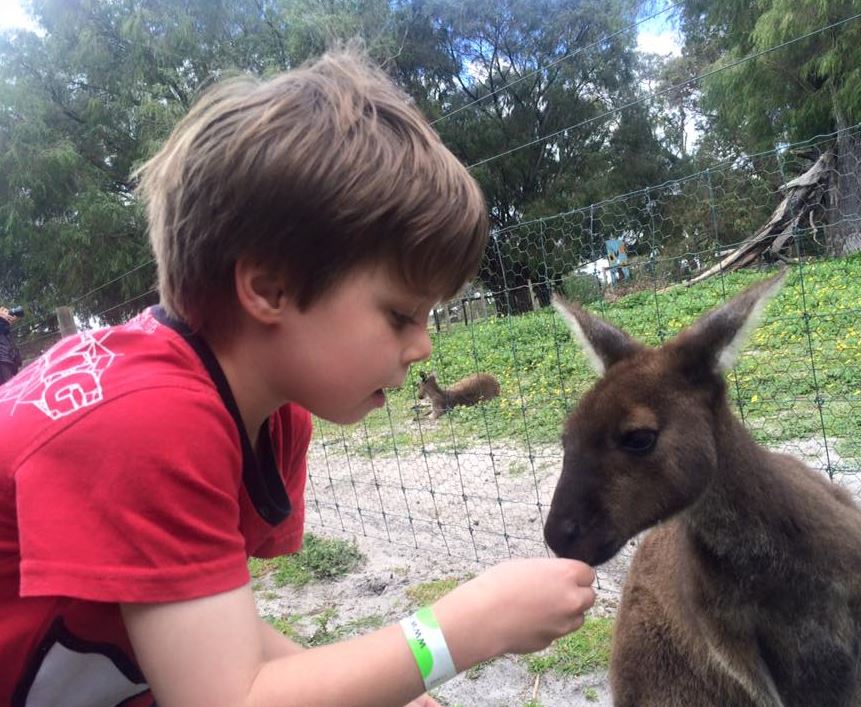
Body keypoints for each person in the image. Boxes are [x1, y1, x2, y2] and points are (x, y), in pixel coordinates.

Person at [0, 46, 596, 706]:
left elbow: (200, 624)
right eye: (401, 314)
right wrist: (461, 629)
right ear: (270, 287)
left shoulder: (261, 413)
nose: (423, 345)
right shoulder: (150, 421)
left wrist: (383, 687)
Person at [0, 306, 22, 384]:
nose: (7, 312)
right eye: (3, 310)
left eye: (6, 310)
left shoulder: (4, 324)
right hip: (3, 361)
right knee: (8, 386)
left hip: (9, 359)